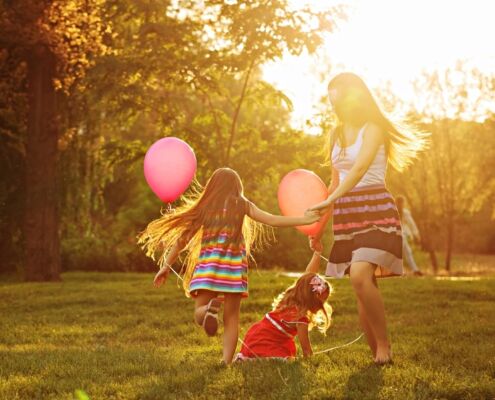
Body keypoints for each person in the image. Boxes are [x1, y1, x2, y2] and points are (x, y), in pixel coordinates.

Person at [138, 167, 320, 365]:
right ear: (237, 186)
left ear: (212, 187)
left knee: (199, 314)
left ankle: (207, 310)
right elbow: (272, 220)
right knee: (231, 318)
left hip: (208, 269)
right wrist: (304, 219)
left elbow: (182, 240)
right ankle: (226, 361)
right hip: (232, 272)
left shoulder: (206, 206)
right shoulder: (241, 204)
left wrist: (166, 265)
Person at [307, 72, 427, 364]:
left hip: (375, 209)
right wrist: (318, 227)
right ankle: (377, 355)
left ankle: (385, 346)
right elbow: (335, 182)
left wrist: (330, 200)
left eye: (340, 95)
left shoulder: (373, 128)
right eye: (332, 97)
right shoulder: (335, 134)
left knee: (361, 275)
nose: (336, 102)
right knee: (362, 286)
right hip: (347, 214)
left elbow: (359, 169)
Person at [235, 261, 332, 361]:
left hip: (255, 336)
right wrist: (314, 362)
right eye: (321, 302)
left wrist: (317, 254)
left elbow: (306, 280)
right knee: (288, 360)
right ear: (312, 300)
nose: (321, 307)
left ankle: (248, 357)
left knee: (288, 351)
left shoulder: (288, 303)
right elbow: (307, 351)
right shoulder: (300, 319)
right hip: (264, 342)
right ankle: (252, 359)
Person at [395, 195, 423, 276]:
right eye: (399, 203)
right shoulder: (392, 211)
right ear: (396, 203)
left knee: (407, 251)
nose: (401, 205)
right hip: (393, 234)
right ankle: (412, 270)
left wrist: (416, 234)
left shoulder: (405, 213)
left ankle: (415, 270)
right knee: (404, 251)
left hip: (401, 235)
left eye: (402, 203)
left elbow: (412, 224)